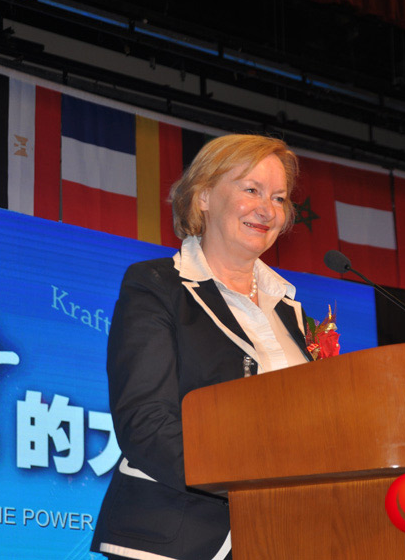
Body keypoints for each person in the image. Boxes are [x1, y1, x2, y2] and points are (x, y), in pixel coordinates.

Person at [91, 134, 315, 560]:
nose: (268, 209)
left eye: (280, 198)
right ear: (205, 195)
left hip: (280, 538)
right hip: (174, 538)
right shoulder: (156, 286)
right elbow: (145, 423)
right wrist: (249, 485)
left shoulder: (289, 310)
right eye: (252, 189)